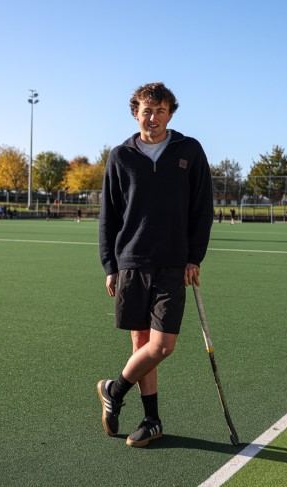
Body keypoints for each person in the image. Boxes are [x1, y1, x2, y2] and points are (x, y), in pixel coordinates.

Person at [97, 82, 213, 448]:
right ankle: (151, 421)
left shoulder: (189, 151)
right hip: (131, 262)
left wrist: (195, 256)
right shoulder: (120, 156)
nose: (153, 117)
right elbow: (109, 216)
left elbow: (202, 209)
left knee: (162, 346)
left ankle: (113, 389)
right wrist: (110, 266)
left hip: (173, 264)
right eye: (147, 110)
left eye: (160, 110)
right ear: (136, 113)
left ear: (170, 114)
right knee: (141, 343)